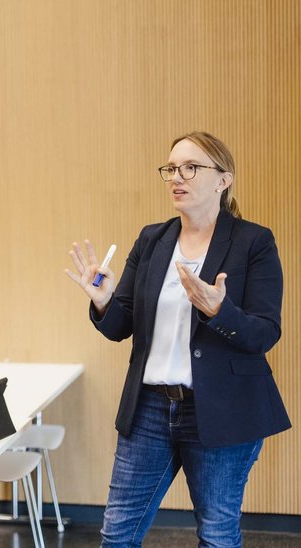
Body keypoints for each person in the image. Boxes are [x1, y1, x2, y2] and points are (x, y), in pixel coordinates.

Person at [65, 131, 291, 547]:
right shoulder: (153, 239)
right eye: (170, 168)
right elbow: (120, 327)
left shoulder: (253, 242)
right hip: (150, 409)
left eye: (190, 167)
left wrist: (218, 310)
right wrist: (102, 301)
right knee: (117, 535)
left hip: (221, 410)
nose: (176, 177)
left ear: (223, 180)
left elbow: (264, 332)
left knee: (218, 535)